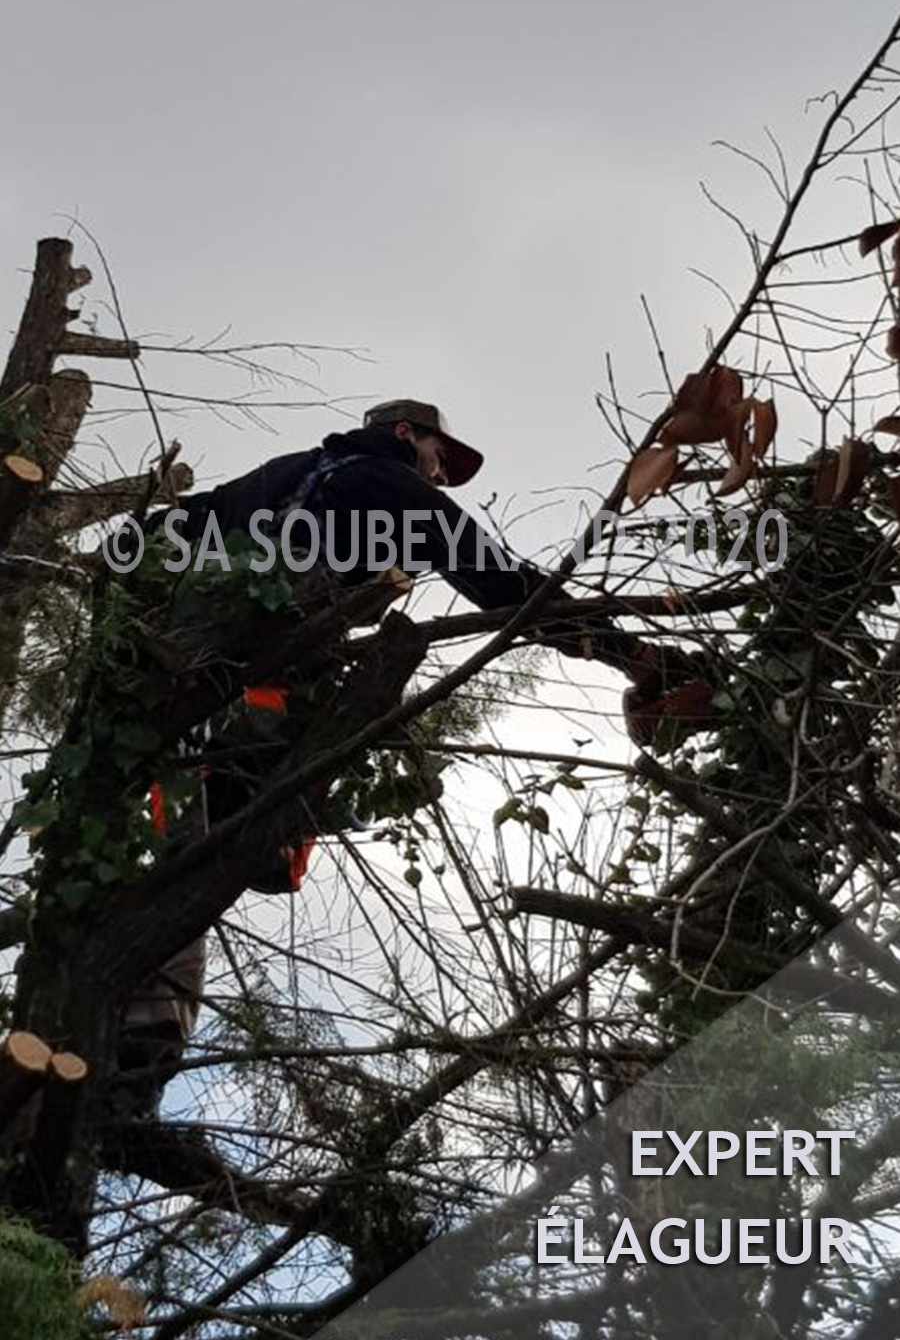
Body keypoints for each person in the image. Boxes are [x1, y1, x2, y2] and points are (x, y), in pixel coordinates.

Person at [115, 400, 696, 1116]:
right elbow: (507, 589)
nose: (440, 477)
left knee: (184, 861)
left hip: (182, 701)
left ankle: (131, 1046)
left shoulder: (277, 476)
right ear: (404, 436)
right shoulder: (390, 489)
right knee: (214, 860)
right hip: (255, 706)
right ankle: (136, 1068)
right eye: (438, 458)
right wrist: (632, 655)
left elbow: (144, 539)